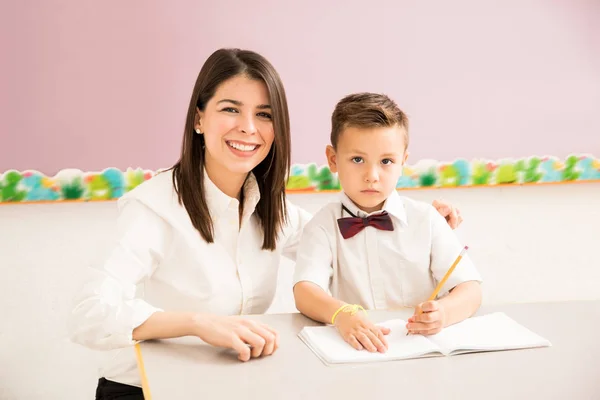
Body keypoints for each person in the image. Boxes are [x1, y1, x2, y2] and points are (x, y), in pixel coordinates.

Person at [67, 49, 465, 398]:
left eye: (264, 114)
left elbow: (347, 238)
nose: (248, 128)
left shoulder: (273, 210)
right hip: (143, 390)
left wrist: (423, 225)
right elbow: (88, 313)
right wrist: (196, 323)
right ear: (199, 119)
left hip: (231, 386)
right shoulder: (153, 208)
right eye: (230, 109)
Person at [292, 92, 482, 354]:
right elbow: (305, 290)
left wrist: (444, 313)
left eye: (386, 161)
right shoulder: (322, 226)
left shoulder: (427, 220)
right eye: (357, 160)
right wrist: (342, 314)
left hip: (421, 353)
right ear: (333, 159)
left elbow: (470, 289)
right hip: (357, 352)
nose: (372, 176)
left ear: (403, 161)